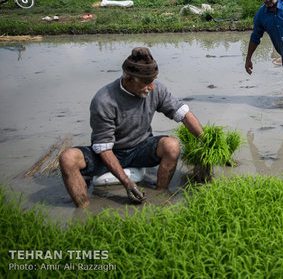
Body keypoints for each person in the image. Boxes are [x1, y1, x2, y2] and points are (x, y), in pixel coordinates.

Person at [59, 47, 205, 208]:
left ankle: (161, 194)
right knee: (68, 158)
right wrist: (127, 183)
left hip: (140, 148)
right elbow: (103, 148)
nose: (152, 87)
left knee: (172, 145)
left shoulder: (156, 90)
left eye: (153, 81)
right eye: (146, 83)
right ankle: (83, 209)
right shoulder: (104, 100)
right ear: (128, 79)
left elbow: (183, 114)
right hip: (108, 153)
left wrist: (206, 142)